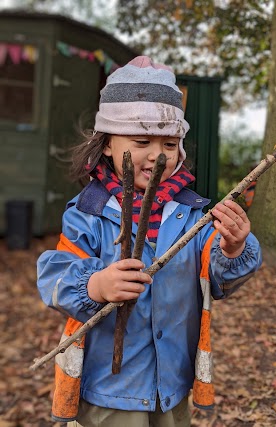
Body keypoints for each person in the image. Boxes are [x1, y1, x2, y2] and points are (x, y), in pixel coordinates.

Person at [37, 56, 262, 427]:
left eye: (170, 144)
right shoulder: (89, 213)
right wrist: (95, 284)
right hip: (111, 386)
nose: (158, 154)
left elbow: (219, 280)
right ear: (107, 144)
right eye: (142, 141)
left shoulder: (193, 215)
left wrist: (233, 247)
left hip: (172, 383)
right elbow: (54, 276)